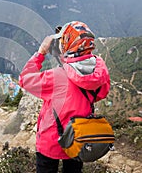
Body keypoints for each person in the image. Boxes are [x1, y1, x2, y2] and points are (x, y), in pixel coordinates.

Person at [19, 21, 110, 173]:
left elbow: (24, 79)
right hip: (79, 140)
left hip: (51, 142)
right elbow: (101, 94)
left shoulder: (56, 77)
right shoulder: (99, 74)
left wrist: (41, 52)